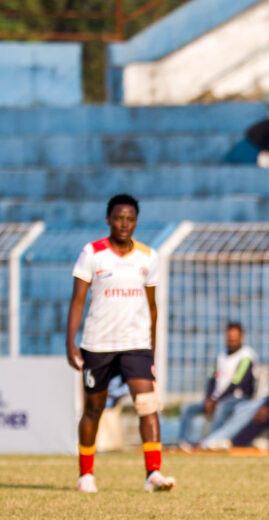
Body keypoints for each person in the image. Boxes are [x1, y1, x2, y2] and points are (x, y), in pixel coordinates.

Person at [67, 194, 175, 493]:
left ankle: (153, 473)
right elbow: (78, 301)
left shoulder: (148, 257)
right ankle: (85, 475)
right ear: (108, 219)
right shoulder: (92, 253)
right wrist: (70, 343)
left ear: (136, 221)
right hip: (98, 343)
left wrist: (150, 348)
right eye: (118, 218)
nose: (124, 223)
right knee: (93, 409)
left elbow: (152, 307)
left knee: (147, 404)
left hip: (135, 344)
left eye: (129, 218)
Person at [178, 322, 257, 450]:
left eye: (234, 339)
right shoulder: (221, 355)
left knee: (221, 407)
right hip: (216, 398)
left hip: (237, 398)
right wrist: (209, 398)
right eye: (229, 339)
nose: (231, 342)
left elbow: (236, 383)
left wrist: (216, 400)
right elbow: (212, 379)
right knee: (187, 408)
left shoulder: (247, 355)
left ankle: (208, 442)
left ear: (241, 338)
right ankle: (184, 442)